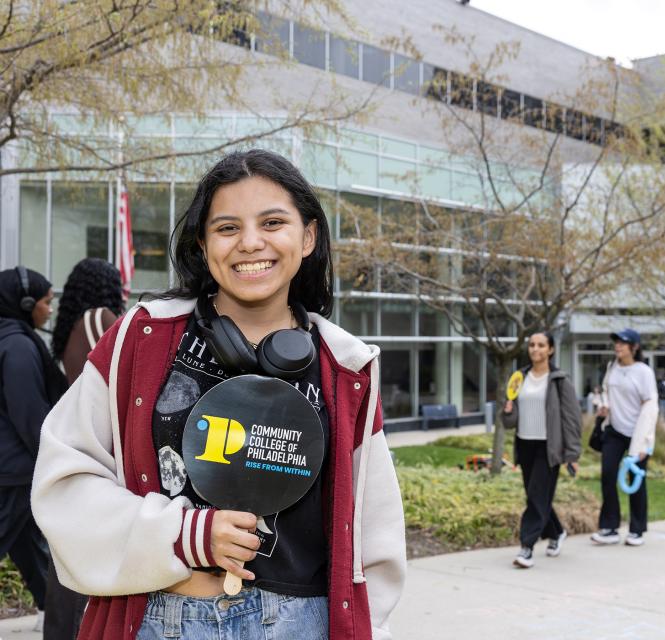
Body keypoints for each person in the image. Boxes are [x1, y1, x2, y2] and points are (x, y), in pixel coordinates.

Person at [32, 149, 406, 640]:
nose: (251, 243)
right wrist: (185, 535)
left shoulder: (348, 367)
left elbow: (375, 533)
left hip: (299, 626)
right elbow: (64, 478)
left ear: (309, 236)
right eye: (227, 228)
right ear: (204, 245)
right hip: (158, 620)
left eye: (273, 222)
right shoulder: (138, 340)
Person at [44, 258, 124, 640]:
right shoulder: (98, 320)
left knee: (72, 556)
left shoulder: (73, 327)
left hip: (80, 446)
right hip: (99, 447)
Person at [0, 266, 68, 632]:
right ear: (26, 304)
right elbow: (29, 415)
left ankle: (52, 615)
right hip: (13, 470)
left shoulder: (8, 338)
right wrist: (57, 453)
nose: (50, 309)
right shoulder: (19, 346)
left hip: (12, 467)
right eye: (46, 302)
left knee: (30, 547)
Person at [501, 332, 582, 568]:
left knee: (537, 496)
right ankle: (556, 532)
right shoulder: (519, 378)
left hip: (549, 447)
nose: (535, 349)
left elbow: (572, 419)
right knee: (536, 496)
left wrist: (572, 455)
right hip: (525, 444)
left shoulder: (559, 380)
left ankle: (526, 547)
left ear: (551, 350)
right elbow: (509, 422)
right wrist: (508, 411)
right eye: (532, 345)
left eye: (541, 345)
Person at [591, 328, 658, 547]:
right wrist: (603, 407)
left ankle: (637, 530)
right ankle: (610, 527)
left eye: (623, 343)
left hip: (637, 435)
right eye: (616, 342)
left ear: (634, 347)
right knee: (608, 475)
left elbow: (650, 407)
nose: (617, 346)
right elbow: (606, 392)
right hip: (615, 431)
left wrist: (642, 443)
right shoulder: (612, 368)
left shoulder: (644, 372)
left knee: (636, 480)